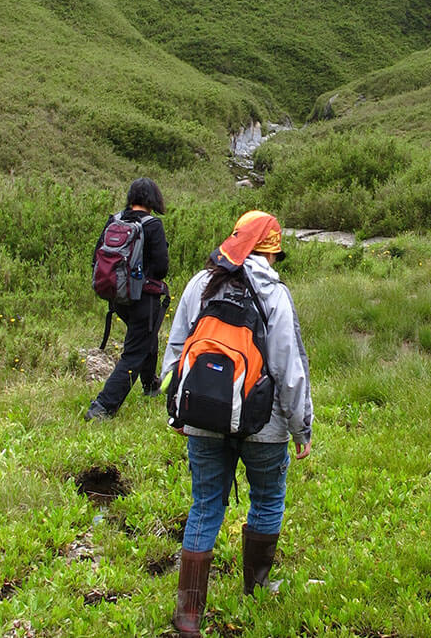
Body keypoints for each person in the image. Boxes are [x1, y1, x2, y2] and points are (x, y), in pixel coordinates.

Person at [162, 210, 313, 638]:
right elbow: (290, 368)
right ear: (271, 249)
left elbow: (176, 349)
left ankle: (189, 613)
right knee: (266, 500)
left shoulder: (200, 283)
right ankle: (258, 588)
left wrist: (178, 410)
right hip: (264, 424)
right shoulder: (274, 292)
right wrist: (302, 428)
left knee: (205, 504)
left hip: (203, 418)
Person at [85, 177, 170, 420]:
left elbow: (96, 257)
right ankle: (103, 406)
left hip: (118, 297)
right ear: (154, 199)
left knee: (146, 336)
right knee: (134, 353)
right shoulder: (153, 225)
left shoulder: (115, 220)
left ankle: (150, 385)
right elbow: (162, 268)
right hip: (144, 298)